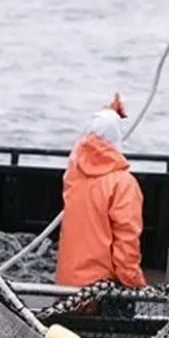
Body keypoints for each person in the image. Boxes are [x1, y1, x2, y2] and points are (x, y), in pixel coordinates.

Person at [55, 94, 147, 289]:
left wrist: (109, 114)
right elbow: (126, 245)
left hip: (66, 285)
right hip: (102, 291)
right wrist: (137, 286)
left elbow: (85, 144)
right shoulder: (123, 184)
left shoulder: (74, 176)